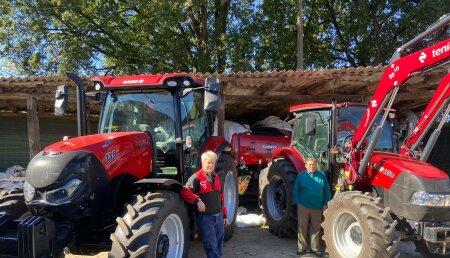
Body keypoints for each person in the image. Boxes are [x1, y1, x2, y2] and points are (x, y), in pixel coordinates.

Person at [180, 151, 228, 258]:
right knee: (211, 245)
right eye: (208, 162)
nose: (211, 165)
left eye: (213, 163)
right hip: (206, 218)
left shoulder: (216, 177)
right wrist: (197, 200)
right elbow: (184, 191)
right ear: (203, 162)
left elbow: (221, 197)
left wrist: (224, 214)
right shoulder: (196, 177)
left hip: (219, 216)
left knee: (219, 244)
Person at [293, 157, 331, 257]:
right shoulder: (301, 176)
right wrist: (297, 202)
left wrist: (325, 203)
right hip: (303, 206)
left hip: (317, 207)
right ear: (305, 165)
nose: (311, 166)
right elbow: (296, 190)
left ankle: (315, 249)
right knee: (302, 227)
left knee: (316, 228)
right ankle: (301, 248)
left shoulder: (322, 176)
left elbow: (326, 191)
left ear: (316, 165)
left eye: (313, 165)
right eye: (309, 165)